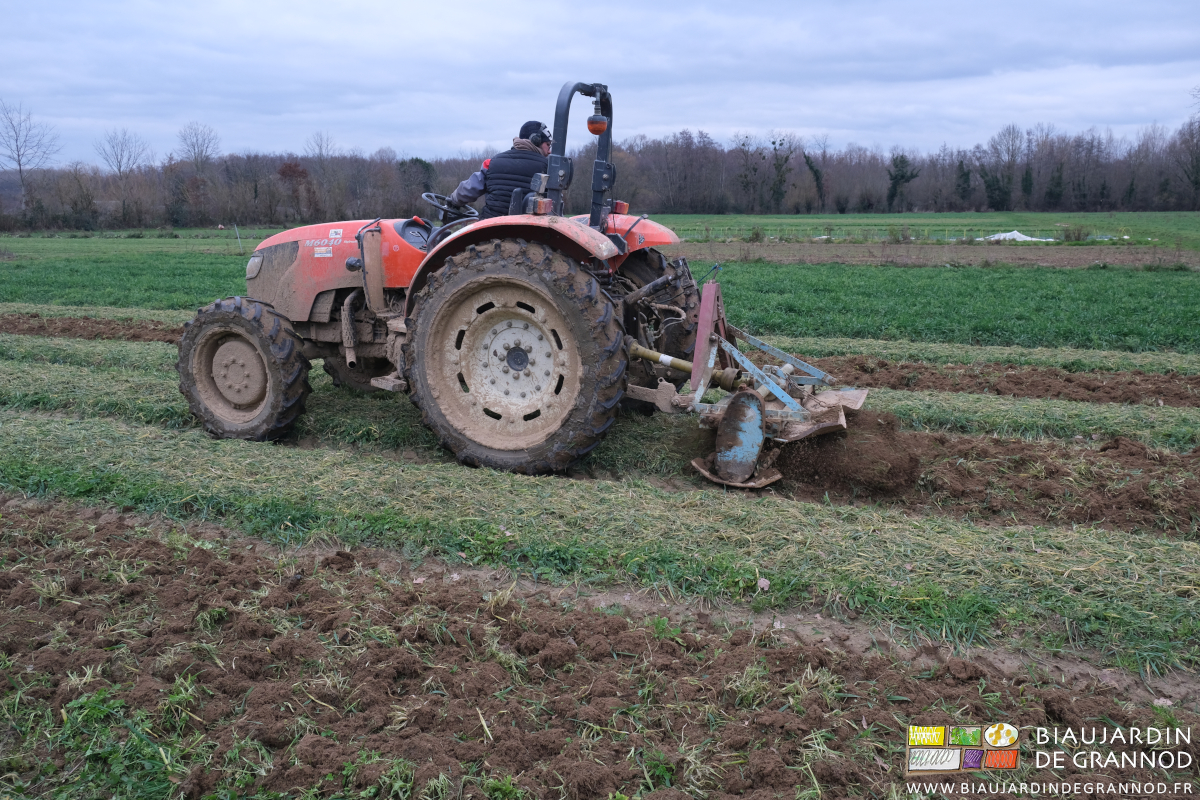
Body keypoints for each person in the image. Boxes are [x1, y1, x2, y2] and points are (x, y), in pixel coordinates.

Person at [448, 121, 552, 219]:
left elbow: (469, 188)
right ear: (535, 140)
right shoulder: (548, 169)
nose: (549, 151)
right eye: (548, 145)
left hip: (490, 227)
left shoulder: (492, 163)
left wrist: (452, 201)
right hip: (530, 229)